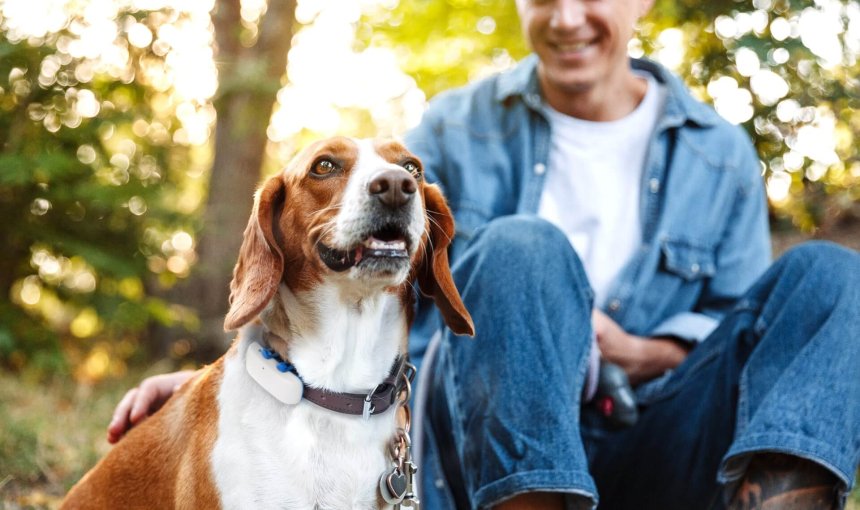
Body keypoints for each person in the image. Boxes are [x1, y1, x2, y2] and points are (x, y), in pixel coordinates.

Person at [110, 0, 860, 508]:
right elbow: (347, 249)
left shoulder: (720, 153)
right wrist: (235, 378)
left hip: (658, 435)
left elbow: (741, 331)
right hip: (477, 450)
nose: (566, 19)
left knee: (833, 273)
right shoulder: (459, 125)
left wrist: (629, 349)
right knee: (522, 248)